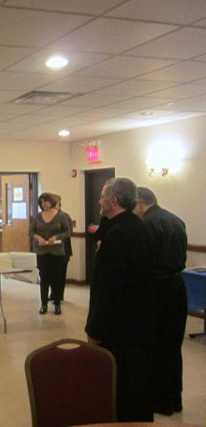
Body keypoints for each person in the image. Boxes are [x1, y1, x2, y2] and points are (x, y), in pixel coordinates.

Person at [85, 178, 153, 422]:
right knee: (137, 382)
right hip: (140, 319)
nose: (99, 201)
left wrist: (95, 329)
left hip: (119, 325)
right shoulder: (138, 225)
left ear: (113, 200)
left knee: (120, 386)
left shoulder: (117, 237)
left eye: (102, 197)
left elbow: (108, 290)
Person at [134, 187, 188, 415]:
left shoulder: (146, 224)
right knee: (172, 346)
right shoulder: (176, 220)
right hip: (177, 285)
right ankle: (174, 398)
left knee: (154, 344)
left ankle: (160, 401)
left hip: (156, 288)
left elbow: (143, 261)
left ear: (139, 203)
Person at [29, 192, 70, 315]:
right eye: (41, 202)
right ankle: (43, 304)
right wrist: (37, 237)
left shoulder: (61, 216)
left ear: (51, 202)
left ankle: (57, 304)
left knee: (56, 278)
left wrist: (56, 237)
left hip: (57, 251)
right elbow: (31, 232)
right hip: (42, 251)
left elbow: (67, 232)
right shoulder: (38, 216)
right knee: (44, 278)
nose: (43, 203)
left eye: (45, 201)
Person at [51, 194, 73, 302]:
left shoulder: (65, 216)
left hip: (63, 250)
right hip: (50, 250)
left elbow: (69, 232)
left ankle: (59, 296)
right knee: (52, 273)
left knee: (60, 273)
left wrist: (56, 237)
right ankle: (53, 294)